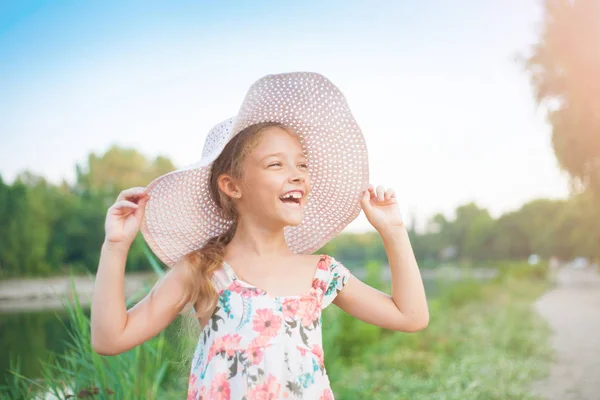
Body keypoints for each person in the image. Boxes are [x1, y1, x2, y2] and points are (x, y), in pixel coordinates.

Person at [90, 72, 429, 399]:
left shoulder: (321, 274)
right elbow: (110, 340)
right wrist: (116, 247)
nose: (297, 175)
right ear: (232, 185)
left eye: (303, 165)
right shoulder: (203, 270)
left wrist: (394, 232)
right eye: (276, 165)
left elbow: (411, 316)